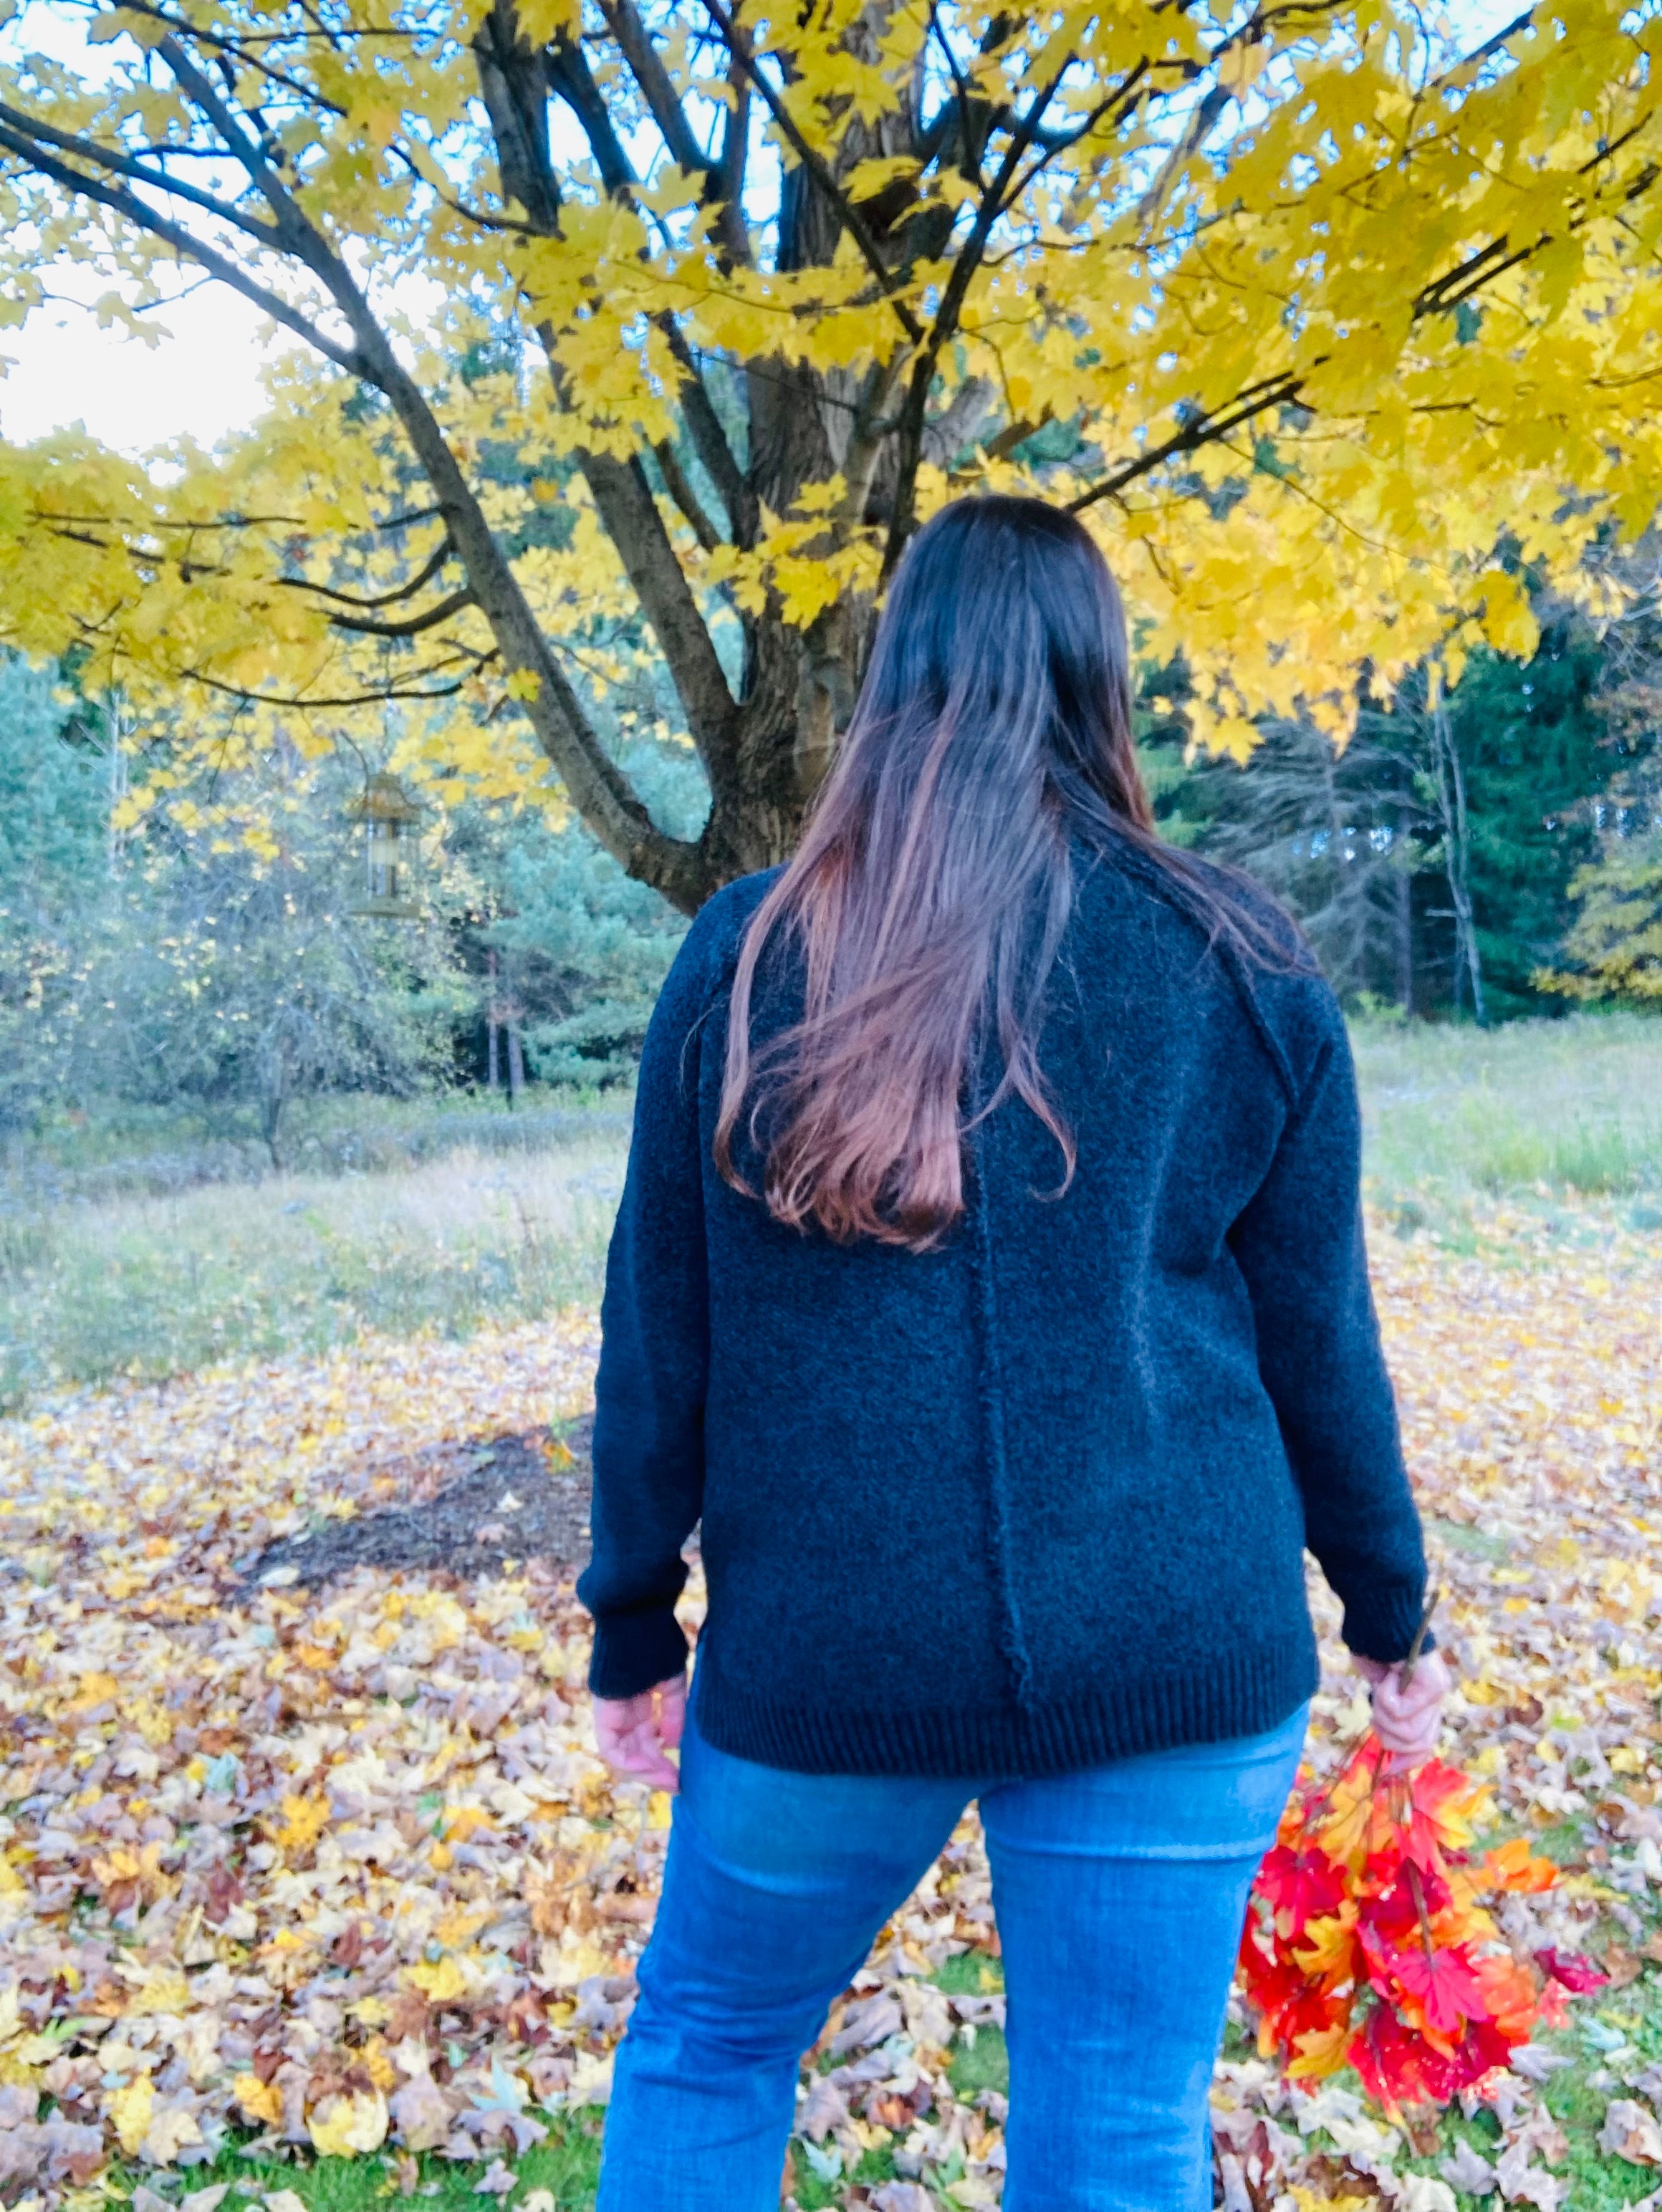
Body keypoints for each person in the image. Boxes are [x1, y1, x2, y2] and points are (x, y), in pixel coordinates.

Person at [575, 494, 1451, 2210]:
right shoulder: (1239, 958)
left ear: (896, 670)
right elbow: (1317, 1347)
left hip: (835, 1656)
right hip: (1172, 1634)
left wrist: (631, 1620)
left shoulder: (752, 953)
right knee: (1118, 2131)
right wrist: (1389, 1610)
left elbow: (651, 1333)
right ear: (1098, 678)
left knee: (709, 2047)